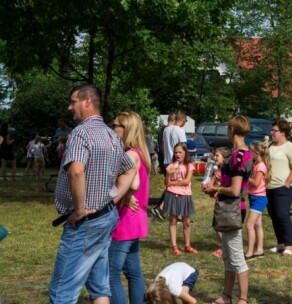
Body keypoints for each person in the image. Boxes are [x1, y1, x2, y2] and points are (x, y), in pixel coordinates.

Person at [49, 84, 136, 304]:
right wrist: (112, 199)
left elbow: (76, 170)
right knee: (99, 288)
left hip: (85, 224)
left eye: (73, 101)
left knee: (61, 293)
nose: (70, 107)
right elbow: (131, 169)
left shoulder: (81, 132)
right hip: (105, 218)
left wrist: (79, 210)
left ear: (87, 102)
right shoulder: (111, 134)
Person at [202, 115, 252, 304]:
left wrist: (216, 188)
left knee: (237, 257)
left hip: (233, 210)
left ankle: (243, 299)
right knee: (228, 257)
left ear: (232, 130)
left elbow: (235, 190)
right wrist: (214, 191)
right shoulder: (237, 154)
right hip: (229, 208)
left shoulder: (239, 157)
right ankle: (226, 296)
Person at [109, 111, 151, 304]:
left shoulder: (129, 154)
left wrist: (124, 195)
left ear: (127, 129)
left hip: (126, 221)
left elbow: (133, 184)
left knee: (112, 272)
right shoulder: (139, 153)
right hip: (136, 219)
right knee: (133, 272)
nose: (112, 128)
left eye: (115, 125)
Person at [267, 118, 292, 256]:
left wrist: (287, 182)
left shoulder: (290, 147)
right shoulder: (270, 146)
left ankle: (288, 245)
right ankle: (280, 243)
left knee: (282, 215)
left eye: (274, 130)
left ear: (282, 132)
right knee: (274, 215)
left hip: (283, 187)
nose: (271, 133)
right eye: (272, 130)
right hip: (269, 187)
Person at [153, 111, 188, 221]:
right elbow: (184, 149)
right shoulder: (180, 131)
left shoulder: (166, 130)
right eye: (185, 121)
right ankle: (163, 209)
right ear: (182, 120)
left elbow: (163, 147)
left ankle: (173, 213)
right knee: (176, 188)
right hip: (177, 161)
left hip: (167, 161)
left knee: (171, 186)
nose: (185, 123)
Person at [165, 143, 198, 256]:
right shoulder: (170, 167)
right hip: (172, 195)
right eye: (176, 152)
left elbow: (186, 181)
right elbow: (167, 183)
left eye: (180, 152)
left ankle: (187, 245)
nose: (178, 154)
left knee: (187, 222)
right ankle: (174, 246)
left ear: (185, 153)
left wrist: (172, 183)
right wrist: (169, 175)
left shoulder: (189, 166)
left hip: (185, 195)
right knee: (173, 220)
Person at [245, 141, 271, 260]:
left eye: (251, 152)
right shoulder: (256, 164)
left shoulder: (261, 166)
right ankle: (259, 250)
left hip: (259, 198)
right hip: (254, 197)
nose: (249, 153)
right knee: (257, 225)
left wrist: (245, 177)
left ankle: (250, 252)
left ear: (256, 153)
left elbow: (255, 183)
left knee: (249, 225)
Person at [210, 147, 231, 258]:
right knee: (216, 225)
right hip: (218, 200)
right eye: (215, 155)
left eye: (217, 155)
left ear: (224, 158)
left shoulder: (227, 171)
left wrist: (214, 188)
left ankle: (226, 248)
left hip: (225, 202)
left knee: (220, 225)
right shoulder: (217, 170)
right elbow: (212, 182)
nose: (215, 157)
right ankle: (225, 247)